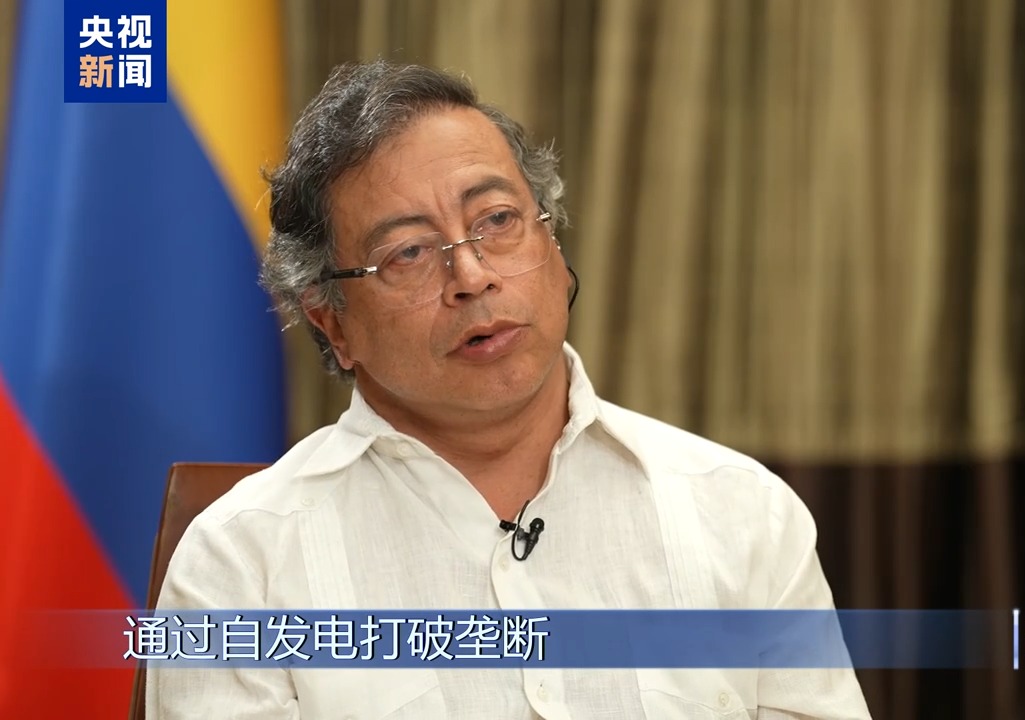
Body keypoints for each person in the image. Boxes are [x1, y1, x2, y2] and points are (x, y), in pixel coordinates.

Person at [147, 61, 872, 719]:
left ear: (552, 242)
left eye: (497, 221)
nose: (472, 277)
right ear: (331, 322)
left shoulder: (741, 513)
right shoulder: (239, 567)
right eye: (408, 253)